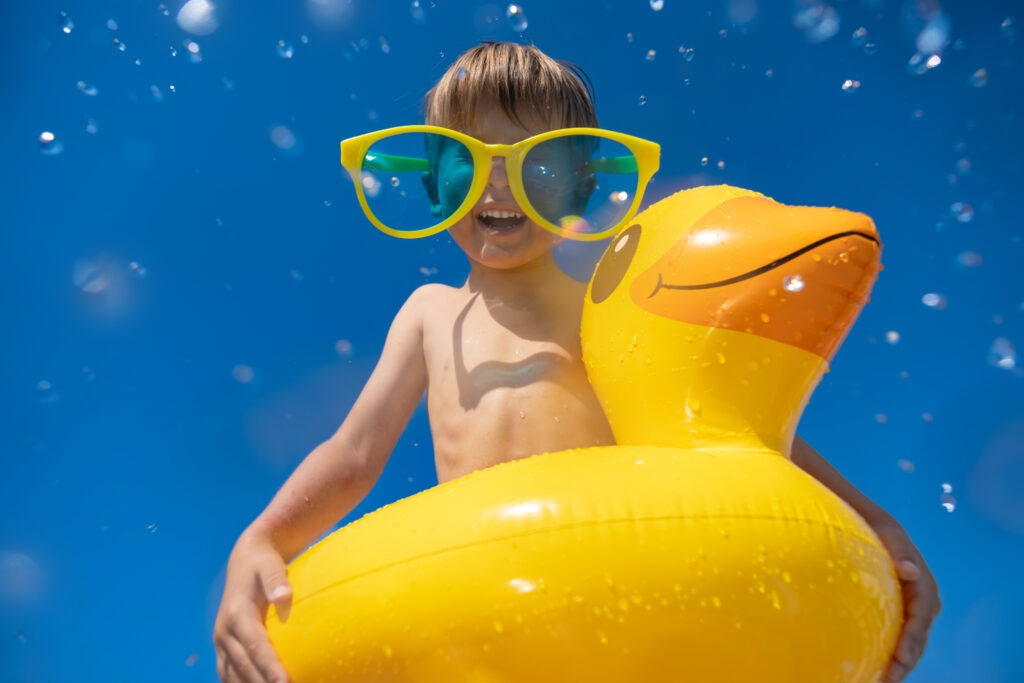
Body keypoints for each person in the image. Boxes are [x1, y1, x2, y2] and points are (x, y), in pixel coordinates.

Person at [213, 41, 939, 683]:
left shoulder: (606, 302)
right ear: (436, 183)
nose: (497, 187)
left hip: (613, 590)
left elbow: (731, 433)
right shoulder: (429, 312)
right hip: (490, 605)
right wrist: (261, 539)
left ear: (585, 185)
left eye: (537, 163)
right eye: (467, 160)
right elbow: (354, 451)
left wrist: (878, 525)